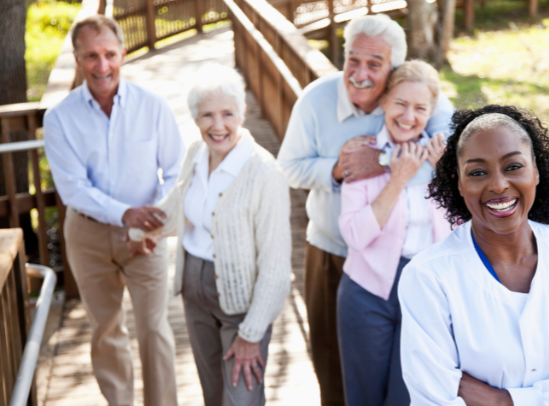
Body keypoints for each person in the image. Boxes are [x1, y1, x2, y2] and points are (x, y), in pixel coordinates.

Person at [398, 106, 549, 406]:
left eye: (513, 166)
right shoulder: (429, 277)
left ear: (536, 170)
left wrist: (502, 400)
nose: (499, 185)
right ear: (460, 183)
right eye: (477, 172)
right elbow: (433, 401)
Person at [276, 14, 454, 405]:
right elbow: (288, 167)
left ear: (392, 73)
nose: (360, 74)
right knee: (330, 361)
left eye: (374, 65)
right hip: (332, 249)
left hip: (405, 266)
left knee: (403, 380)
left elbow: (451, 148)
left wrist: (385, 161)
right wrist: (341, 169)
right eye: (353, 60)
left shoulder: (409, 102)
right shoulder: (316, 100)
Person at [127, 63, 292, 406]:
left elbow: (276, 268)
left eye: (228, 114)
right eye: (207, 116)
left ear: (243, 113)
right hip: (194, 291)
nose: (218, 126)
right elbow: (177, 206)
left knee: (241, 398)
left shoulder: (265, 174)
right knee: (213, 395)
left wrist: (250, 334)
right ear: (195, 118)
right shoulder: (195, 155)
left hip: (242, 304)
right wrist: (140, 232)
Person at [43, 15, 184, 406]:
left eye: (108, 54)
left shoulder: (152, 106)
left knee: (154, 329)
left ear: (123, 52)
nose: (101, 66)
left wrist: (149, 223)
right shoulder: (58, 118)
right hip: (87, 236)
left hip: (147, 232)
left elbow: (176, 170)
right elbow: (73, 189)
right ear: (77, 58)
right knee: (105, 329)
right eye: (91, 56)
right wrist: (126, 216)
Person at [337, 60, 452, 406]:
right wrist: (398, 178)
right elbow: (354, 236)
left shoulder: (442, 159)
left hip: (428, 292)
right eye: (401, 103)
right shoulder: (361, 153)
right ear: (385, 101)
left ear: (430, 113)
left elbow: (463, 232)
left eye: (420, 108)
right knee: (364, 398)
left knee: (409, 396)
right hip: (367, 292)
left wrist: (445, 175)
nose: (408, 116)